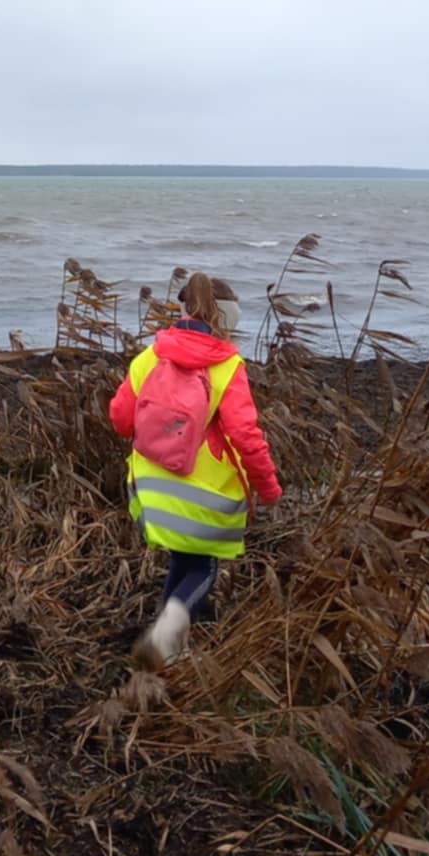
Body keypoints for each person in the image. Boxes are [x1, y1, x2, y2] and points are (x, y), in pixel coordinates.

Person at [108, 273, 282, 670]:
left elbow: (119, 418)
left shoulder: (150, 356)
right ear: (227, 322)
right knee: (204, 567)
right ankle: (170, 628)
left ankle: (170, 648)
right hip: (205, 493)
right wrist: (268, 489)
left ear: (182, 310)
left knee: (183, 559)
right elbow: (246, 436)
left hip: (151, 490)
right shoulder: (228, 366)